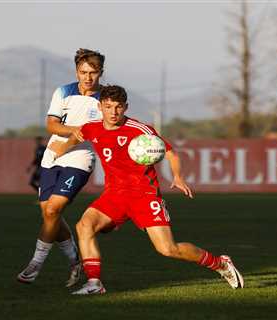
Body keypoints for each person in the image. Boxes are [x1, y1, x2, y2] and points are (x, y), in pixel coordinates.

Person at [49, 84, 244, 295]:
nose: (113, 112)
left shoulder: (140, 130)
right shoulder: (91, 127)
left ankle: (220, 263)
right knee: (84, 226)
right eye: (108, 107)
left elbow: (171, 153)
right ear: (100, 106)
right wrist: (59, 150)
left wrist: (177, 176)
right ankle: (94, 284)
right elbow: (76, 136)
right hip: (114, 195)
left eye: (118, 107)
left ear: (126, 107)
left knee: (168, 249)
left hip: (144, 195)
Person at [17, 49, 105, 287]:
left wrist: (69, 142)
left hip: (80, 159)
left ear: (101, 73)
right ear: (77, 71)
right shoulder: (63, 91)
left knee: (53, 209)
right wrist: (72, 131)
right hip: (52, 157)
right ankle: (76, 261)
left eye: (93, 72)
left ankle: (35, 264)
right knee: (49, 213)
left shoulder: (105, 98)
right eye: (83, 72)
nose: (88, 77)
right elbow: (51, 124)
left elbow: (92, 133)